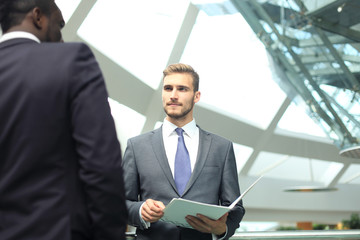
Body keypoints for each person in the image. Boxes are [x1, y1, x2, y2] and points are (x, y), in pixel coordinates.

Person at [0, 1, 127, 239]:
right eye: (58, 25)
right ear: (38, 17)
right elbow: (101, 164)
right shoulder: (71, 60)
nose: (60, 37)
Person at [122, 63, 245, 240]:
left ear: (196, 96)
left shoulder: (221, 147)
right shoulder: (137, 146)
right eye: (168, 88)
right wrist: (141, 210)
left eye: (182, 89)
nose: (173, 95)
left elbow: (236, 207)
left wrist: (222, 228)